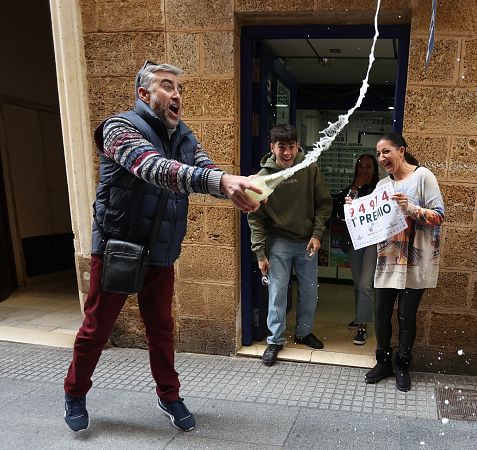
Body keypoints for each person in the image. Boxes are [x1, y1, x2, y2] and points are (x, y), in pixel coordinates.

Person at [63, 61, 262, 433]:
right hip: (118, 247)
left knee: (161, 330)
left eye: (179, 89)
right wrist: (221, 181)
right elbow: (154, 168)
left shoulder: (184, 136)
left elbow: (203, 169)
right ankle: (75, 392)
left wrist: (239, 188)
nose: (177, 94)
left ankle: (169, 395)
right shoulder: (117, 128)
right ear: (144, 94)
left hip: (160, 253)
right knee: (96, 329)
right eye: (167, 86)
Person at [361, 132, 444, 392]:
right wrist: (357, 209)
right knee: (381, 314)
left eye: (386, 151)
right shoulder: (382, 185)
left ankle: (402, 366)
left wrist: (411, 208)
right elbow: (375, 220)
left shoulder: (423, 176)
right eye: (378, 153)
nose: (381, 157)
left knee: (406, 316)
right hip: (388, 259)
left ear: (401, 151)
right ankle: (383, 362)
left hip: (416, 260)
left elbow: (439, 216)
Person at [247, 124, 332, 366]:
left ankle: (304, 333)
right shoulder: (263, 178)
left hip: (307, 241)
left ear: (297, 146)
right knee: (277, 293)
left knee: (309, 291)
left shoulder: (309, 168)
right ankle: (275, 340)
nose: (287, 153)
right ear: (271, 147)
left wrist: (317, 234)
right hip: (279, 242)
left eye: (291, 147)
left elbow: (323, 204)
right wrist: (260, 254)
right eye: (281, 147)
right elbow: (255, 218)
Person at [339, 154, 380, 345]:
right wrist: (355, 186)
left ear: (374, 169)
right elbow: (341, 210)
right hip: (355, 241)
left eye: (368, 167)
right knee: (357, 285)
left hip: (372, 242)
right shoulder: (350, 188)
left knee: (365, 285)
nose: (364, 170)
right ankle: (359, 317)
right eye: (361, 166)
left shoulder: (380, 189)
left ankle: (363, 327)